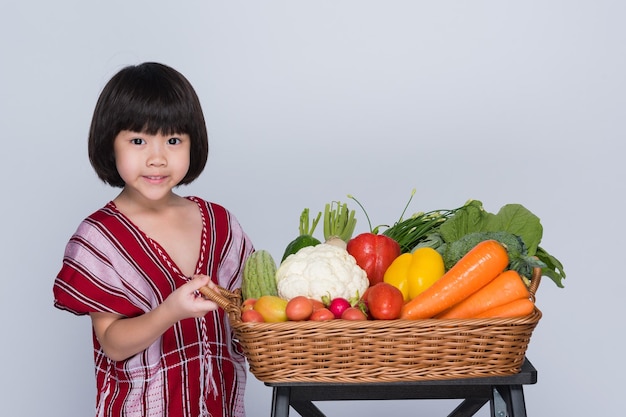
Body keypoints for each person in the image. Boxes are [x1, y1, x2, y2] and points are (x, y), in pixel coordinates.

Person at [53, 62, 254, 417]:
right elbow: (112, 343)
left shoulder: (222, 225)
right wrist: (170, 312)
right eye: (138, 140)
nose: (157, 158)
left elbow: (253, 310)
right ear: (109, 144)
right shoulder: (100, 238)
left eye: (174, 140)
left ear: (194, 143)